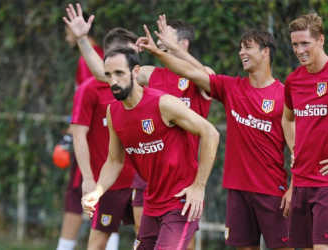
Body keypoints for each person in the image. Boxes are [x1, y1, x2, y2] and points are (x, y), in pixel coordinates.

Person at [63, 4, 214, 249]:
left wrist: (199, 184)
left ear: (182, 44)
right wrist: (82, 39)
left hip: (182, 180)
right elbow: (107, 74)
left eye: (167, 36)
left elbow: (210, 125)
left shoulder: (198, 78)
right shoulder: (151, 75)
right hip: (149, 180)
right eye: (159, 36)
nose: (160, 41)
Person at [140, 20, 293, 250]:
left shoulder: (284, 96)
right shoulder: (231, 87)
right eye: (240, 47)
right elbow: (190, 71)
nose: (241, 52)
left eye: (248, 47)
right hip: (237, 191)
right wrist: (160, 51)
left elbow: (298, 149)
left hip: (272, 191)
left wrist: (294, 187)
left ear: (265, 52)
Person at [282, 13, 328, 249]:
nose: (299, 50)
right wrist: (296, 150)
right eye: (295, 44)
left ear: (321, 40)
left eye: (305, 43)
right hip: (301, 184)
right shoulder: (293, 81)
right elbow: (287, 118)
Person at [67, 25, 141, 249]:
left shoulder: (140, 86)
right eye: (130, 54)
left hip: (140, 181)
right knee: (99, 240)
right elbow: (79, 135)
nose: (135, 60)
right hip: (108, 183)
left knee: (145, 239)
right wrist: (88, 178)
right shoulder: (89, 90)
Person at [55, 12, 105, 250]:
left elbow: (86, 105)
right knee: (108, 200)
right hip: (106, 142)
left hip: (90, 141)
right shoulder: (104, 57)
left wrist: (68, 138)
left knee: (77, 196)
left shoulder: (87, 60)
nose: (67, 39)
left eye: (67, 33)